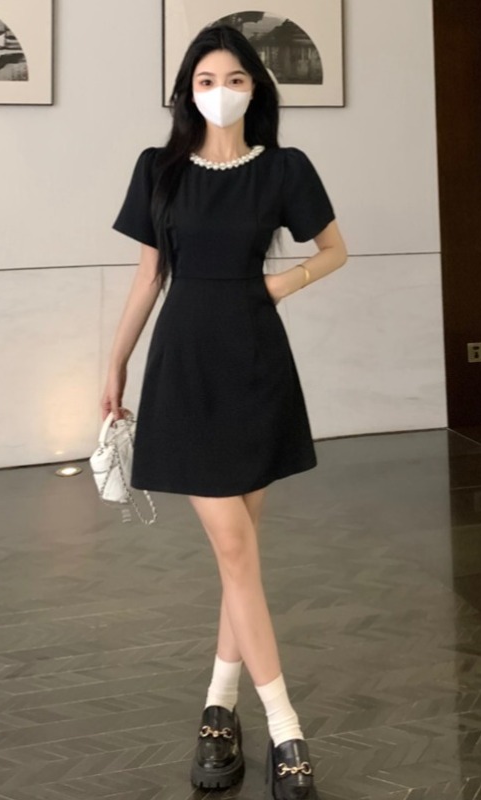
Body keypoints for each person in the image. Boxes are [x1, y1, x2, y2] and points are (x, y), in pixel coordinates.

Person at [102, 23, 348, 800]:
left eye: (235, 78)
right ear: (187, 91)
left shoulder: (284, 168)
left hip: (255, 365)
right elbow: (148, 277)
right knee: (236, 551)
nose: (220, 90)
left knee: (236, 556)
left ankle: (218, 706)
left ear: (254, 89)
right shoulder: (158, 170)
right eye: (206, 79)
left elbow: (335, 249)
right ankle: (285, 729)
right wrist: (114, 361)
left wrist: (278, 285)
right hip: (184, 369)